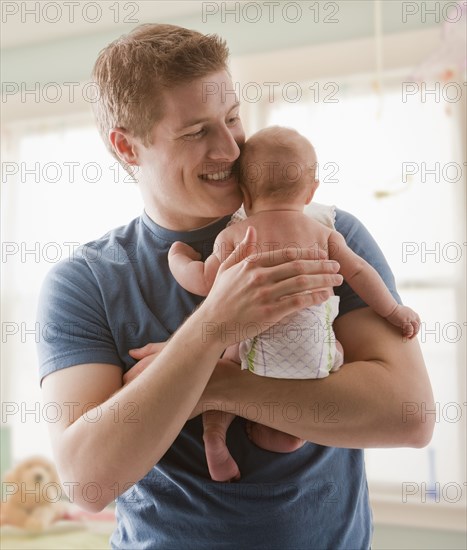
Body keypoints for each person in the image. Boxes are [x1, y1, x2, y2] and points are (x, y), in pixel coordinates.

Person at [37, 24, 434, 550]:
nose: (231, 148)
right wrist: (212, 328)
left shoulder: (328, 233)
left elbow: (409, 418)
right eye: (197, 132)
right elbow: (87, 481)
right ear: (127, 148)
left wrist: (217, 386)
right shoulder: (83, 283)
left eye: (232, 118)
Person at [168, 125, 421, 483]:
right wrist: (394, 311)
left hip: (254, 358)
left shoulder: (236, 236)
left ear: (244, 195)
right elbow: (362, 274)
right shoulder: (325, 234)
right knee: (329, 344)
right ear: (311, 192)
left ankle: (214, 433)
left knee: (224, 362)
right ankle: (286, 435)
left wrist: (178, 258)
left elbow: (204, 281)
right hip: (317, 361)